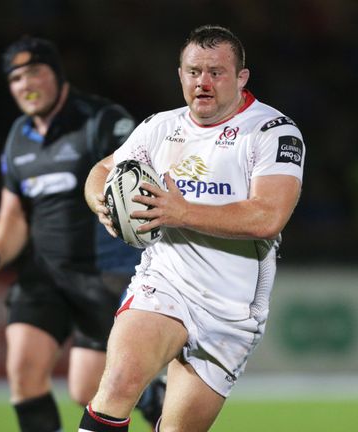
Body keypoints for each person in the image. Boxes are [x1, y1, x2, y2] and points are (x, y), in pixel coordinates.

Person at [78, 25, 305, 431]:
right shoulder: (160, 127)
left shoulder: (273, 132)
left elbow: (269, 216)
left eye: (216, 72)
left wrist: (179, 212)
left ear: (241, 78)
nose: (203, 81)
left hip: (232, 310)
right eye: (193, 71)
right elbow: (102, 170)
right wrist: (104, 203)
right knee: (117, 384)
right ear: (180, 75)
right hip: (165, 283)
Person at [0, 36, 165, 432]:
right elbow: (14, 216)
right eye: (16, 78)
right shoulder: (17, 138)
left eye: (35, 71)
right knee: (22, 371)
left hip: (103, 276)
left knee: (86, 388)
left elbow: (145, 178)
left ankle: (158, 400)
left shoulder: (103, 121)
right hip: (45, 275)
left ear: (57, 75)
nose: (26, 84)